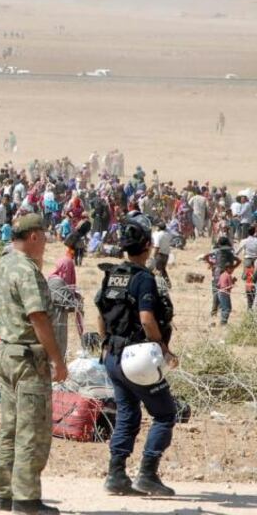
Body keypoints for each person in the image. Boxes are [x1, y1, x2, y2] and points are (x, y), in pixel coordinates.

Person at [97, 211, 179, 497]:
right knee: (166, 413)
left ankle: (116, 474)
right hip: (138, 356)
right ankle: (148, 473)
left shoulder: (111, 274)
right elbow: (146, 318)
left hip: (112, 356)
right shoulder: (143, 278)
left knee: (128, 413)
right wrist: (164, 348)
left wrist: (107, 340)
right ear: (147, 246)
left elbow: (101, 312)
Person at [0, 213, 67, 515]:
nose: (47, 244)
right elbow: (38, 317)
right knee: (32, 428)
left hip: (8, 353)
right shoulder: (26, 270)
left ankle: (5, 492)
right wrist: (57, 360)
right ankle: (25, 498)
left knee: (10, 427)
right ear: (35, 236)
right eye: (45, 237)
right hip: (28, 358)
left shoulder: (5, 262)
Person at [46, 257, 82, 360]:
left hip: (59, 318)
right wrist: (77, 300)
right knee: (57, 348)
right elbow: (68, 303)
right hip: (55, 320)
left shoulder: (59, 281)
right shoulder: (56, 282)